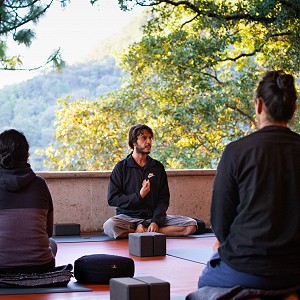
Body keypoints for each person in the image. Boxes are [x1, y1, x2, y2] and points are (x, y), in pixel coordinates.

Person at [198, 70, 300, 296]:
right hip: (295, 268)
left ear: (259, 105)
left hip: (247, 266)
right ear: (292, 109)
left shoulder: (237, 151)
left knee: (205, 283)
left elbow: (220, 219)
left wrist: (227, 247)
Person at [103, 123, 197, 239]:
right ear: (134, 142)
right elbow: (112, 199)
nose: (148, 141)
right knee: (110, 226)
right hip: (128, 218)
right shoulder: (121, 167)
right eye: (144, 138)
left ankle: (144, 231)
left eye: (150, 138)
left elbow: (163, 200)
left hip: (152, 216)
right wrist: (139, 196)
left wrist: (155, 221)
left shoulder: (157, 167)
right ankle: (142, 229)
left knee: (191, 225)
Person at [0, 129, 57, 274]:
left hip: (2, 268)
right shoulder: (40, 184)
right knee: (52, 244)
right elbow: (48, 232)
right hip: (41, 266)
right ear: (27, 155)